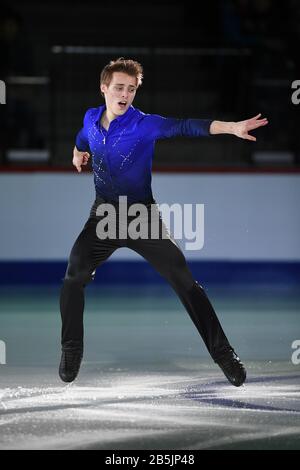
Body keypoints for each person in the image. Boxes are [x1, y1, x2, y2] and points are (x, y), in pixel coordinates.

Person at [59, 57, 268, 385]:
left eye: (131, 89)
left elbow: (185, 125)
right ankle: (71, 348)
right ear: (104, 89)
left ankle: (223, 353)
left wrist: (231, 127)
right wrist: (75, 152)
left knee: (183, 279)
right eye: (118, 87)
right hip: (104, 215)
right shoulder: (90, 118)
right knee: (74, 275)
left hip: (140, 215)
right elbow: (83, 138)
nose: (125, 94)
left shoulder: (144, 125)